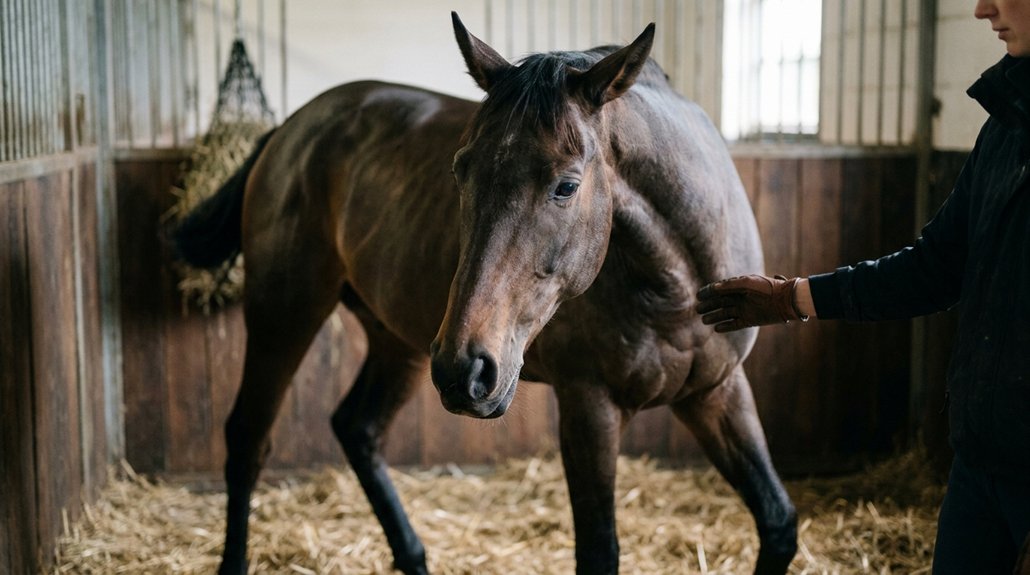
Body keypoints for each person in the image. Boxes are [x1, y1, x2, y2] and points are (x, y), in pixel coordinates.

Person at [695, 1, 1030, 573]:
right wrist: (790, 298)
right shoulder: (1006, 124)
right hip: (981, 464)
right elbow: (933, 268)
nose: (982, 8)